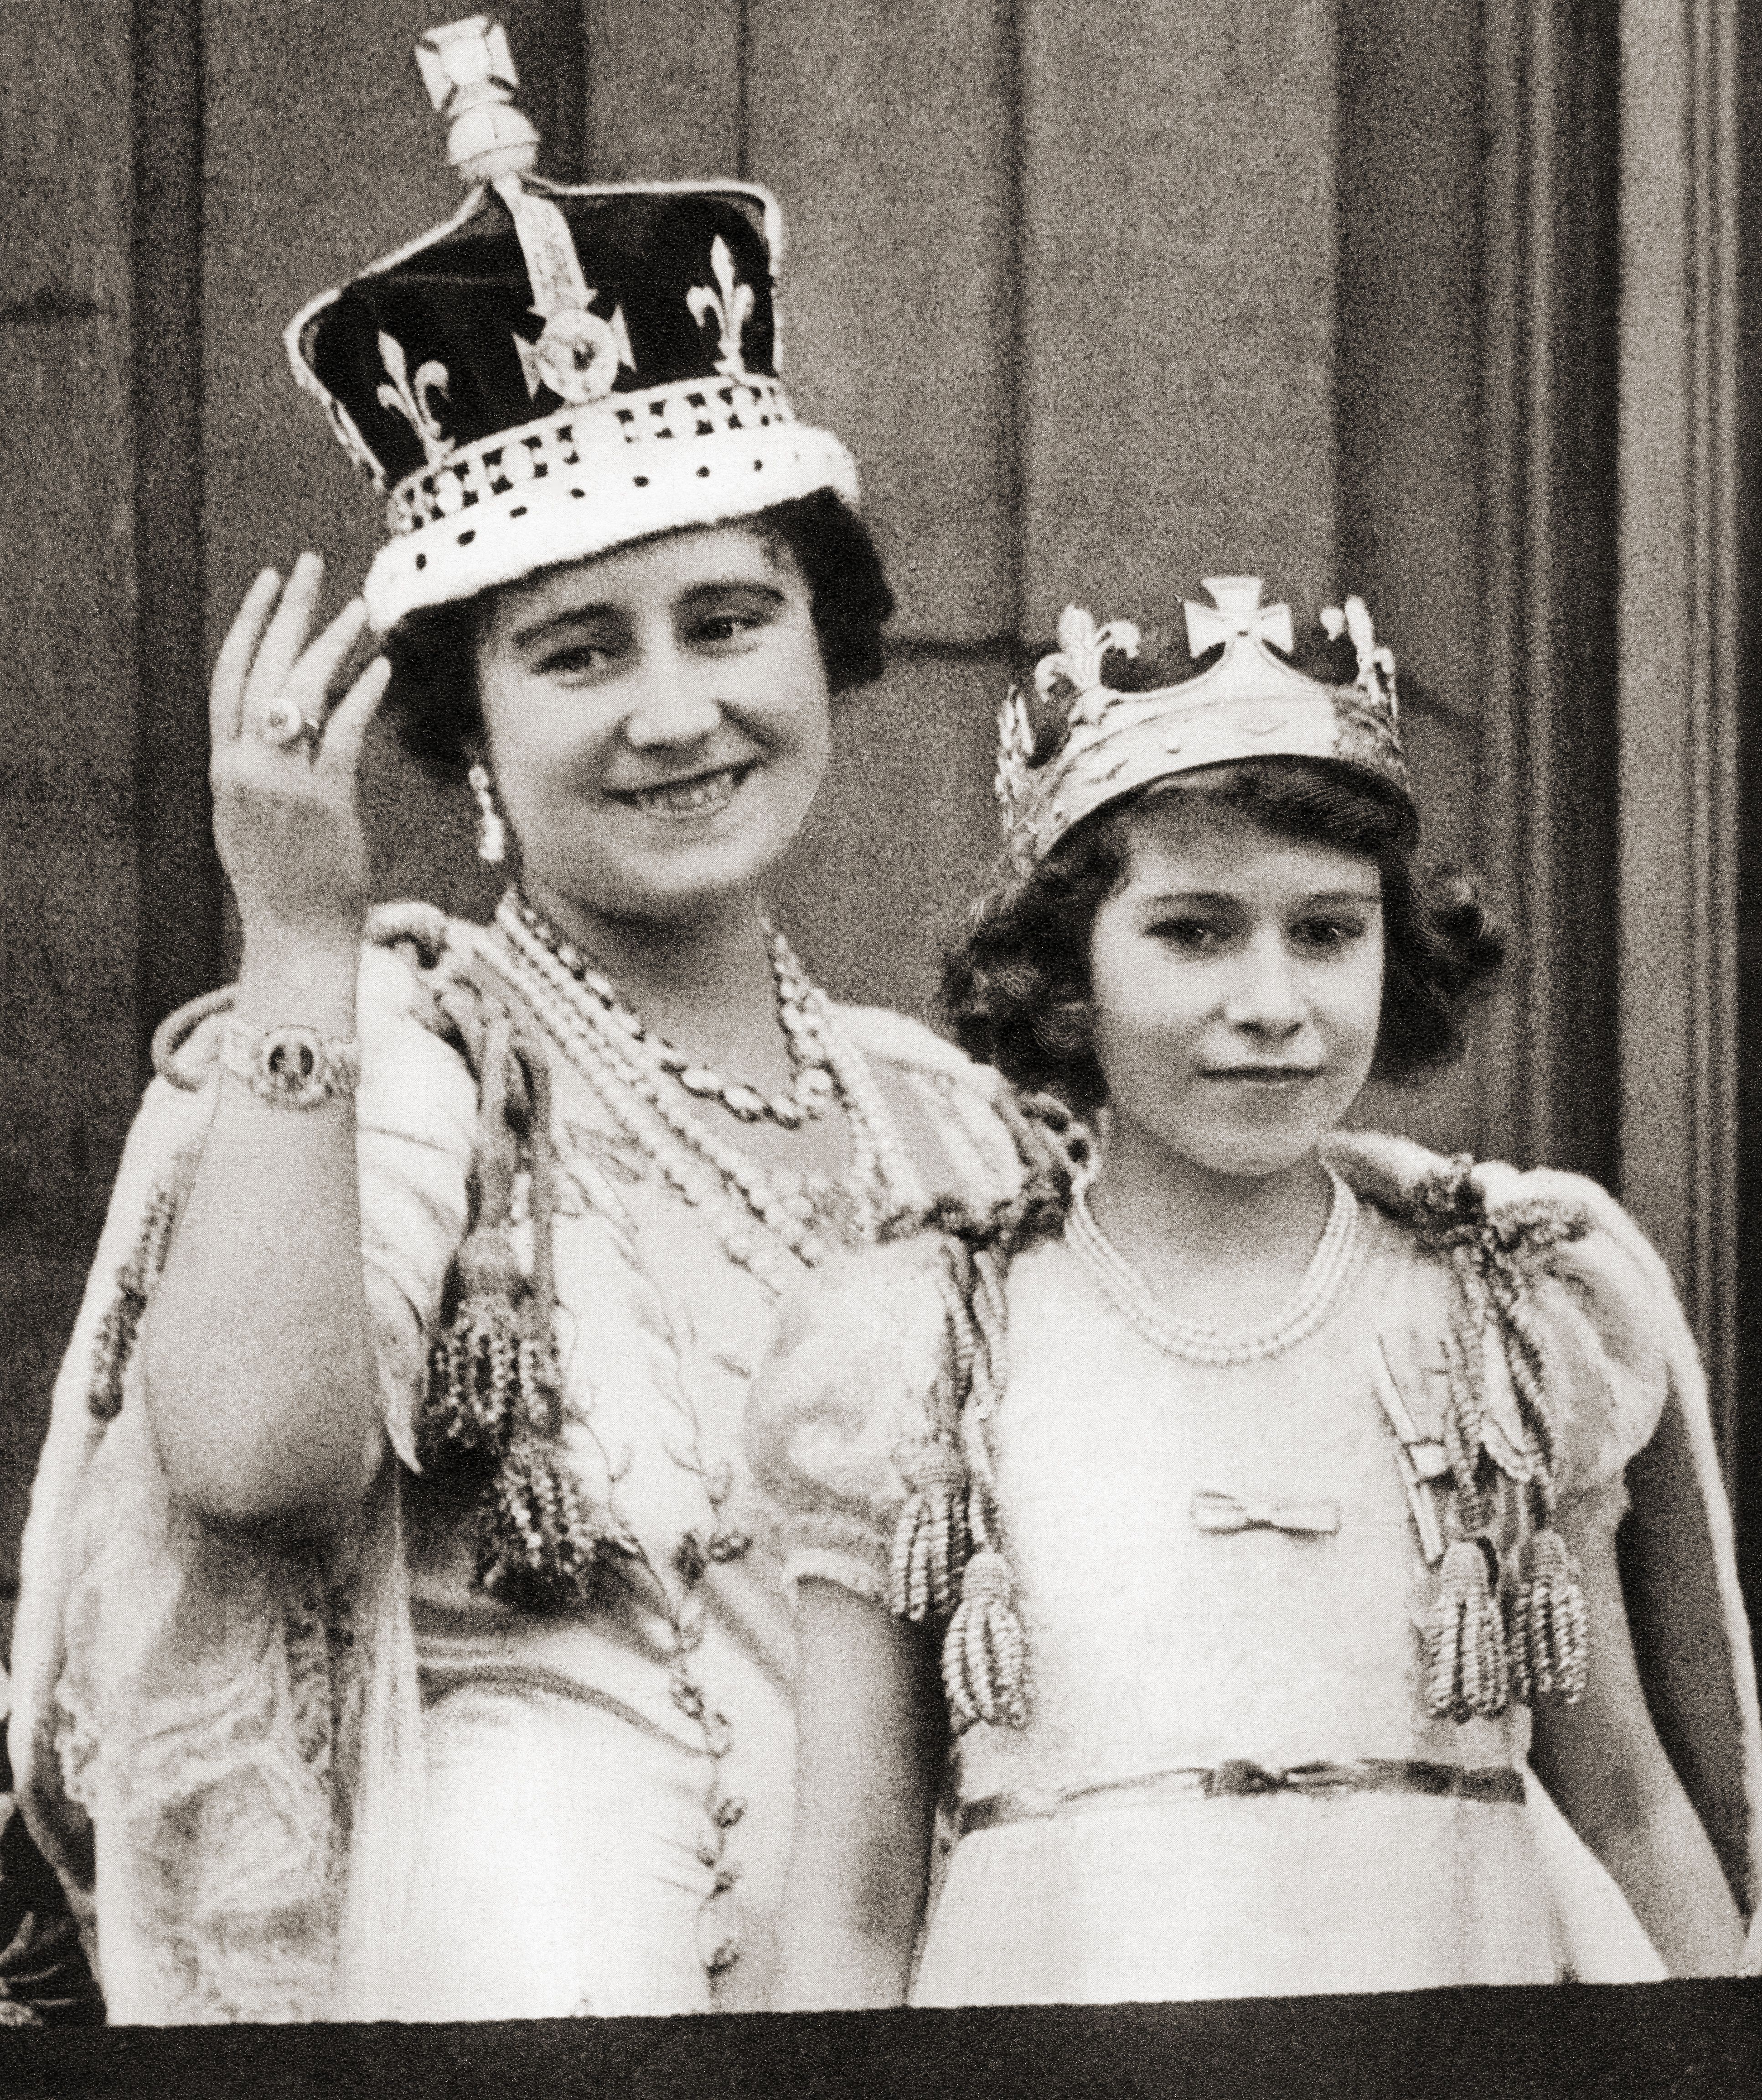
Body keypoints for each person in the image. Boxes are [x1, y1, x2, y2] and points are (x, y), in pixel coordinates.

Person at [5, 18, 1043, 2023]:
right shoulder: (408, 1062)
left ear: (825, 646)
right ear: (467, 730)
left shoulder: (949, 1119)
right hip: (544, 1986)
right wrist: (297, 943)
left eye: (728, 623)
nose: (676, 712)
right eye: (579, 654)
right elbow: (252, 1464)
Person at [751, 584, 1762, 2005]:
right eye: (1193, 933)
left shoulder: (1501, 1314)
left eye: (1326, 932)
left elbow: (1625, 1802)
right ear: (1064, 971)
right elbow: (856, 1893)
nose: (1272, 1001)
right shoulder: (924, 1346)